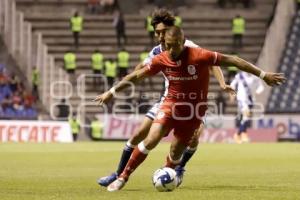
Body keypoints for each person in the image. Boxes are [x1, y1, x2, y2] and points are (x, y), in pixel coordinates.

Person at [94, 26, 285, 192]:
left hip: (193, 112)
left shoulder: (199, 55)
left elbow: (233, 59)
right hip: (170, 105)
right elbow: (137, 76)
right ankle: (123, 177)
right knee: (151, 139)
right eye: (167, 45)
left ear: (183, 42)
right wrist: (112, 91)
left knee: (176, 152)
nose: (170, 49)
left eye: (174, 45)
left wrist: (262, 74)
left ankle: (168, 173)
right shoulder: (161, 58)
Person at [97, 8, 235, 188]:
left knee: (193, 138)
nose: (160, 36)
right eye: (157, 33)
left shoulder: (189, 46)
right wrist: (121, 85)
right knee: (140, 134)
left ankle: (178, 168)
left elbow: (213, 63)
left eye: (163, 32)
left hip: (194, 102)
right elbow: (140, 71)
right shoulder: (156, 52)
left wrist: (223, 84)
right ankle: (118, 174)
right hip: (168, 99)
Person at [230, 71, 265, 144]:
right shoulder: (240, 75)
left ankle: (243, 135)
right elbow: (232, 84)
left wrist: (257, 92)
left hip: (251, 100)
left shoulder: (255, 77)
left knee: (246, 117)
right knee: (246, 116)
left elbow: (261, 87)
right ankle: (238, 134)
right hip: (241, 99)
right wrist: (232, 94)